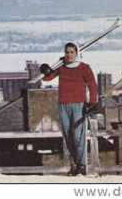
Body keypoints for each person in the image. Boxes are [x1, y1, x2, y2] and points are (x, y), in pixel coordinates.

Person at [40, 42, 98, 176]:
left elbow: (92, 85)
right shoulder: (61, 67)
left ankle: (82, 164)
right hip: (63, 104)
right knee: (68, 136)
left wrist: (92, 102)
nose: (69, 55)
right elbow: (48, 78)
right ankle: (73, 165)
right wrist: (44, 69)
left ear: (77, 53)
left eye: (72, 52)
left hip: (79, 105)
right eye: (67, 52)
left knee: (78, 136)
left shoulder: (84, 68)